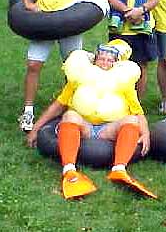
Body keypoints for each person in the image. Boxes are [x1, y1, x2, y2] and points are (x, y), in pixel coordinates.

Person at [26, 40, 157, 200]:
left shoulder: (123, 83)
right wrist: (36, 129)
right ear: (95, 59)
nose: (105, 63)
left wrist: (145, 134)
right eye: (102, 59)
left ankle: (119, 169)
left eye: (110, 60)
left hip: (108, 130)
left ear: (115, 64)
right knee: (69, 116)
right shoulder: (80, 78)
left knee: (131, 121)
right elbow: (58, 105)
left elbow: (138, 112)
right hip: (85, 126)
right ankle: (69, 169)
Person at [16, 0, 101, 132]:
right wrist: (27, 2)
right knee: (33, 65)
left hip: (71, 25)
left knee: (73, 69)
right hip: (44, 21)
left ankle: (71, 108)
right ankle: (28, 112)